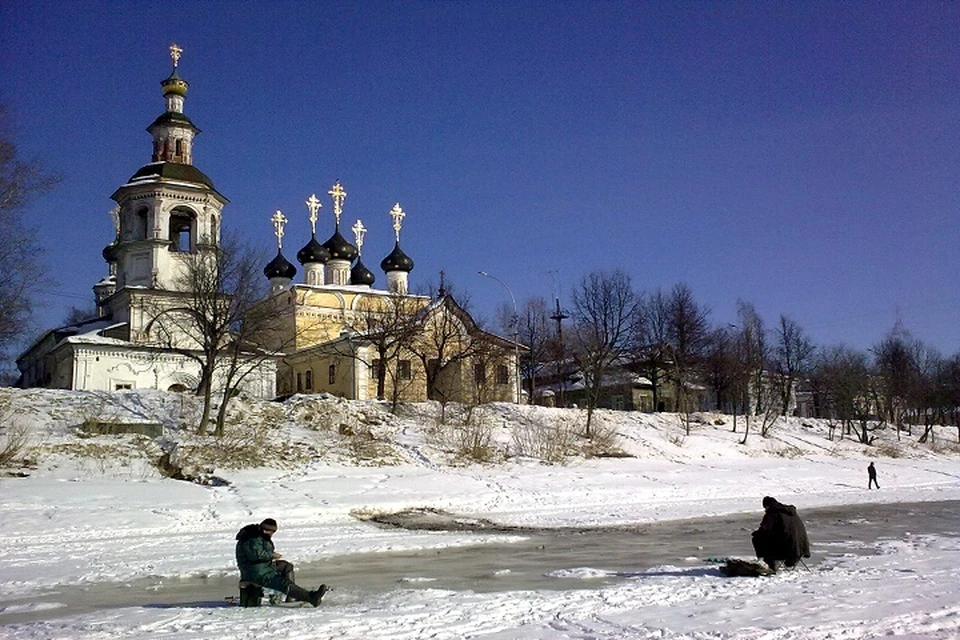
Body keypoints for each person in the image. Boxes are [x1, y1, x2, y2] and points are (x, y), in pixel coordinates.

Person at [235, 518, 327, 606]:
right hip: (255, 572)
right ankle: (311, 598)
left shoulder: (258, 536)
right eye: (271, 532)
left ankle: (292, 597)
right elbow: (256, 555)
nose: (271, 535)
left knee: (286, 566)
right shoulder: (252, 538)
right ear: (266, 530)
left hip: (263, 566)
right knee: (281, 583)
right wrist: (271, 555)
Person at [751, 496, 810, 573]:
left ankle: (768, 563)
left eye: (765, 508)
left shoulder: (772, 513)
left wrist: (755, 533)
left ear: (767, 506)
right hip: (800, 548)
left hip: (786, 549)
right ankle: (790, 561)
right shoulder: (791, 512)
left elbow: (764, 529)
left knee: (757, 538)